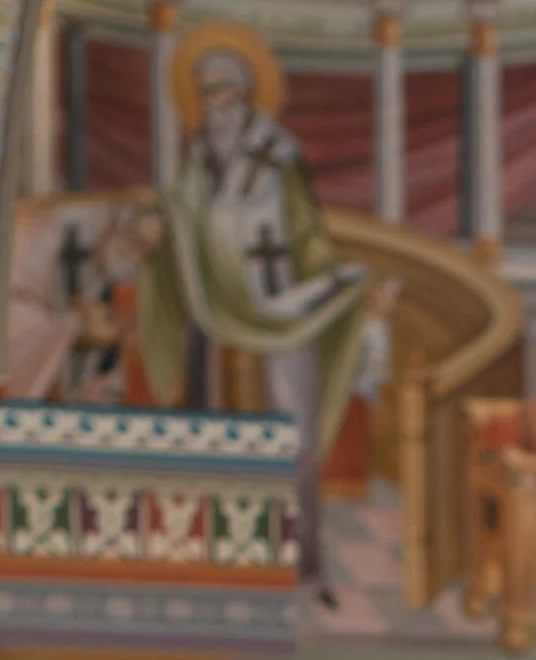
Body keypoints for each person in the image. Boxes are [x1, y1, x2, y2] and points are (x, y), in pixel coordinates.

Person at [134, 34, 380, 589]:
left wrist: (336, 280)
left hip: (280, 312)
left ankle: (299, 559)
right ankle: (220, 552)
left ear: (245, 94)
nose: (210, 105)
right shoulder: (196, 165)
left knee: (292, 434)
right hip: (215, 317)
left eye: (220, 91)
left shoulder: (279, 157)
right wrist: (154, 233)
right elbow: (180, 228)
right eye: (201, 94)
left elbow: (309, 235)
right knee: (212, 430)